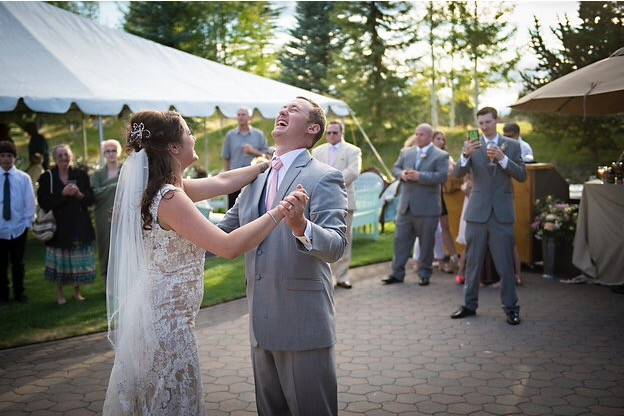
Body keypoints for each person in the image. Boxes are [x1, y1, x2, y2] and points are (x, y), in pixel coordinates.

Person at [103, 110, 292, 416]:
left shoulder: (170, 189)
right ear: (174, 147)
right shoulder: (169, 199)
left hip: (163, 317)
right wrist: (279, 213)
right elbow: (227, 246)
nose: (194, 137)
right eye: (189, 132)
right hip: (166, 326)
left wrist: (262, 167)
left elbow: (221, 180)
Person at [219, 97, 348, 416]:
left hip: (303, 324)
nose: (283, 112)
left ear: (312, 129)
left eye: (294, 109)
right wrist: (169, 221)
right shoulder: (255, 176)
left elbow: (336, 246)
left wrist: (301, 225)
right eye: (283, 109)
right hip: (261, 325)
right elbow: (222, 233)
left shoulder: (325, 176)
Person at [451, 107, 527, 325]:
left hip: (502, 214)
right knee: (473, 263)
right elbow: (457, 173)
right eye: (481, 123)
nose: (484, 126)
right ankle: (469, 305)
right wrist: (465, 155)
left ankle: (511, 308)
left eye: (488, 122)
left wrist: (503, 159)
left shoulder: (512, 145)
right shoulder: (472, 144)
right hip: (477, 212)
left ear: (497, 121)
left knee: (505, 265)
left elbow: (521, 175)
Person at [383, 124, 449, 286]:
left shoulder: (441, 156)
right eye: (416, 134)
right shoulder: (407, 152)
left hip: (428, 209)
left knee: (427, 243)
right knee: (400, 241)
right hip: (406, 207)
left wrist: (420, 176)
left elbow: (441, 177)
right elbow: (395, 169)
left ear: (429, 136)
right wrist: (403, 175)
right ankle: (397, 273)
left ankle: (425, 273)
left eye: (421, 135)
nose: (417, 137)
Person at [37, 144, 96, 305]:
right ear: (55, 158)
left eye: (66, 154)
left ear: (71, 156)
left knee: (76, 261)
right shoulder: (47, 177)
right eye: (60, 155)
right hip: (58, 227)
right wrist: (62, 194)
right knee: (60, 261)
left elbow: (91, 199)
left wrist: (78, 194)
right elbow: (44, 202)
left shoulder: (80, 174)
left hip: (78, 224)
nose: (64, 157)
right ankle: (60, 293)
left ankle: (77, 292)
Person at [312, 120, 362, 289]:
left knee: (345, 239)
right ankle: (328, 277)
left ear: (342, 133)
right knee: (324, 239)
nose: (331, 135)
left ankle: (343, 276)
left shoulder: (353, 150)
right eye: (329, 132)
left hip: (345, 201)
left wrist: (330, 182)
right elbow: (313, 171)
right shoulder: (317, 151)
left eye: (335, 132)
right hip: (322, 202)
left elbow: (353, 172)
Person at [0, 141, 36, 304]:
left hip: (19, 227)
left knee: (18, 263)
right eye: (2, 156)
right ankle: (3, 294)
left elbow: (30, 201)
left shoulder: (23, 178)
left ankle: (19, 292)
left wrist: (28, 222)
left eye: (9, 156)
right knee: (1, 264)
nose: (6, 159)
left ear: (15, 158)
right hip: (0, 228)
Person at [222, 107, 269, 208]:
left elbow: (267, 156)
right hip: (234, 178)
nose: (240, 117)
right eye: (238, 115)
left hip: (254, 179)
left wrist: (253, 152)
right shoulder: (230, 135)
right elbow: (226, 157)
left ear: (249, 117)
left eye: (243, 114)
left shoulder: (259, 135)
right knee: (232, 207)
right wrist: (226, 178)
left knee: (251, 207)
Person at [91, 139, 122, 280]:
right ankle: (106, 280)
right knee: (106, 247)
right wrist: (115, 186)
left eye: (113, 150)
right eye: (107, 151)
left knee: (122, 247)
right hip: (103, 215)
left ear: (118, 152)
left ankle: (123, 281)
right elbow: (94, 193)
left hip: (123, 214)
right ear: (104, 154)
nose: (111, 154)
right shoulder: (97, 175)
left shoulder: (126, 171)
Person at [432, 130, 460, 273]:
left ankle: (454, 258)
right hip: (429, 196)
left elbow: (453, 171)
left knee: (445, 227)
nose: (441, 142)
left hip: (442, 196)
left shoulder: (445, 157)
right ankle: (428, 260)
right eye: (438, 139)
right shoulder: (426, 155)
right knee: (428, 229)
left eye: (443, 139)